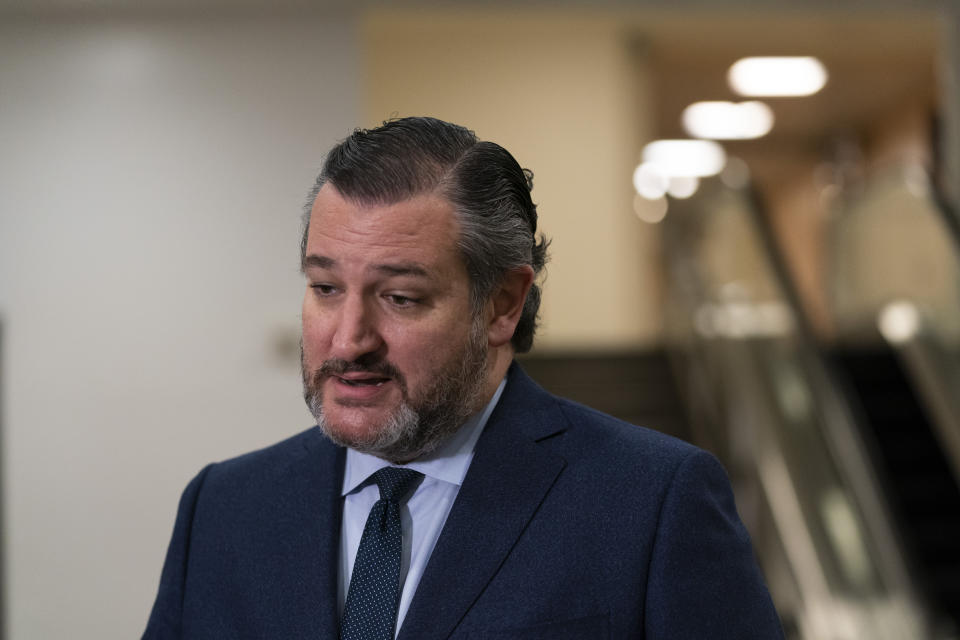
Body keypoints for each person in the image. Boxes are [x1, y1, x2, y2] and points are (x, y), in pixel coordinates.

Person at [143, 116, 784, 639]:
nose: (348, 339)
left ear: (503, 303)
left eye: (400, 297)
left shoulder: (653, 503)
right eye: (325, 288)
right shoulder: (223, 508)